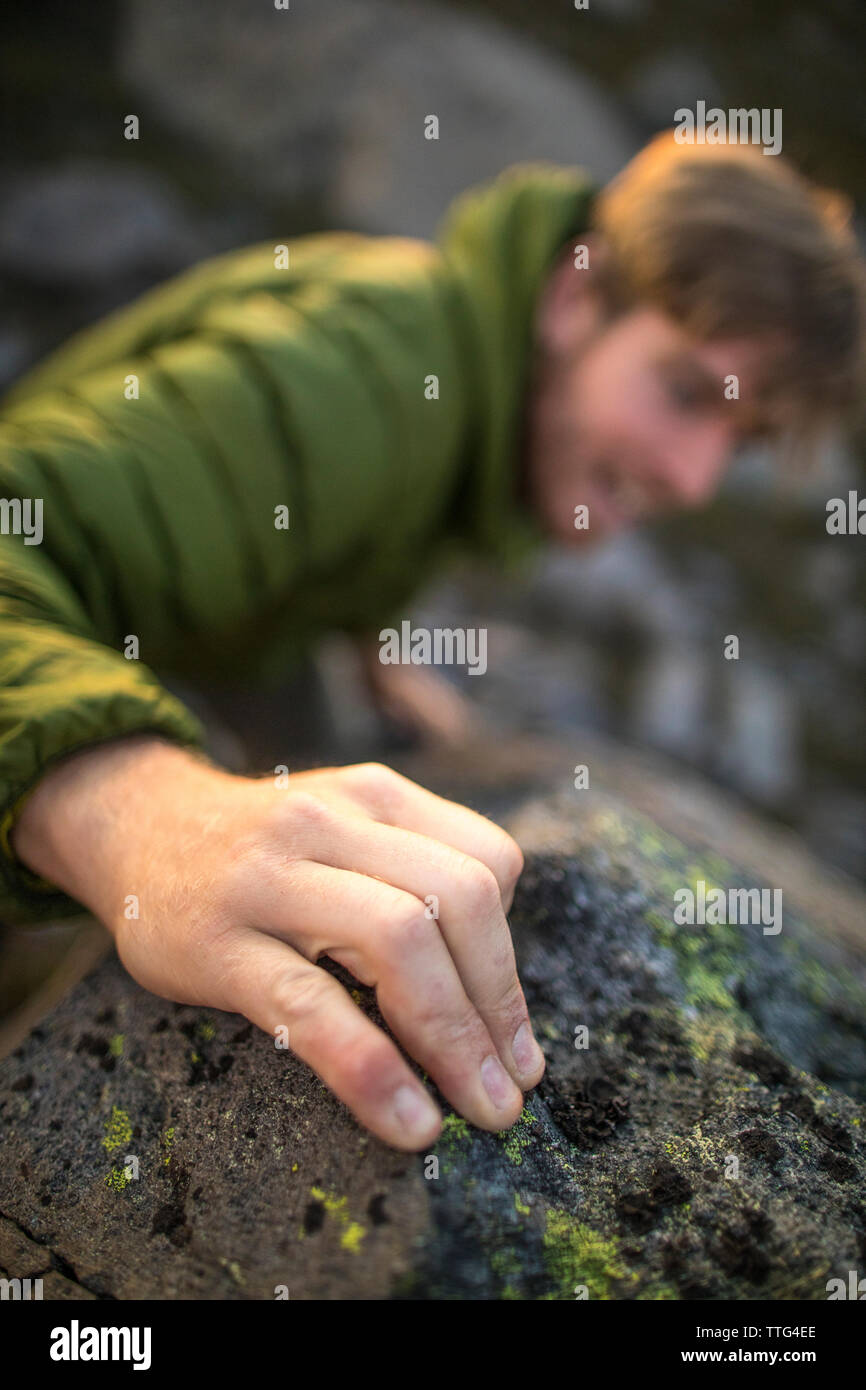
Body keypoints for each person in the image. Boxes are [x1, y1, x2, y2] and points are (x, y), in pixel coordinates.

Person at [1, 132, 863, 1150]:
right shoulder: (361, 382)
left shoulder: (455, 397)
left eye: (741, 435)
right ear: (572, 299)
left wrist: (370, 644)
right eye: (683, 390)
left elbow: (308, 507)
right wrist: (134, 814)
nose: (691, 478)